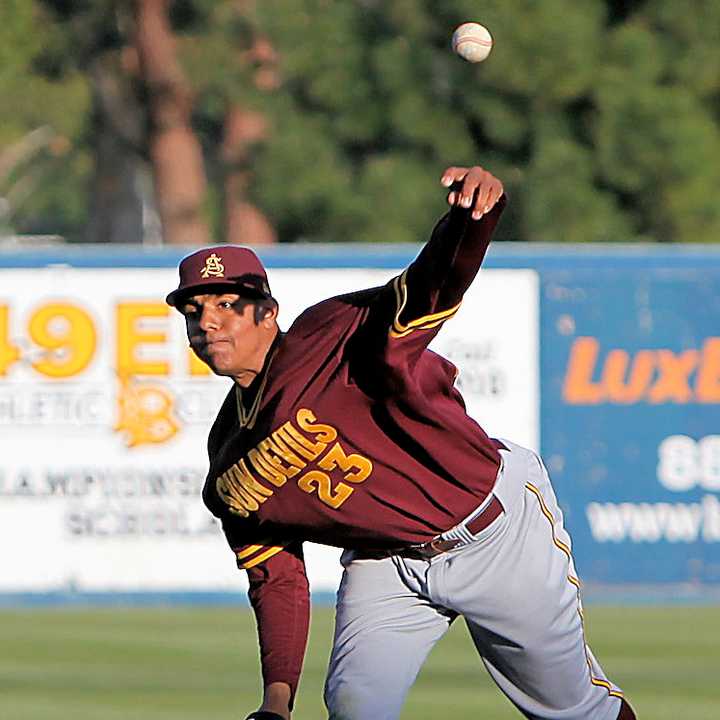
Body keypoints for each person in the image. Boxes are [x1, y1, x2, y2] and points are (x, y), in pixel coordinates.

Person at [166, 165, 637, 720]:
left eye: (227, 305)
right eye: (195, 312)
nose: (208, 323)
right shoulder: (229, 463)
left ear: (268, 313)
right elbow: (276, 577)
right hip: (387, 559)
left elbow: (430, 283)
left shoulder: (328, 336)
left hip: (493, 529)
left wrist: (473, 219)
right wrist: (276, 700)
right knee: (355, 706)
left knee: (574, 711)